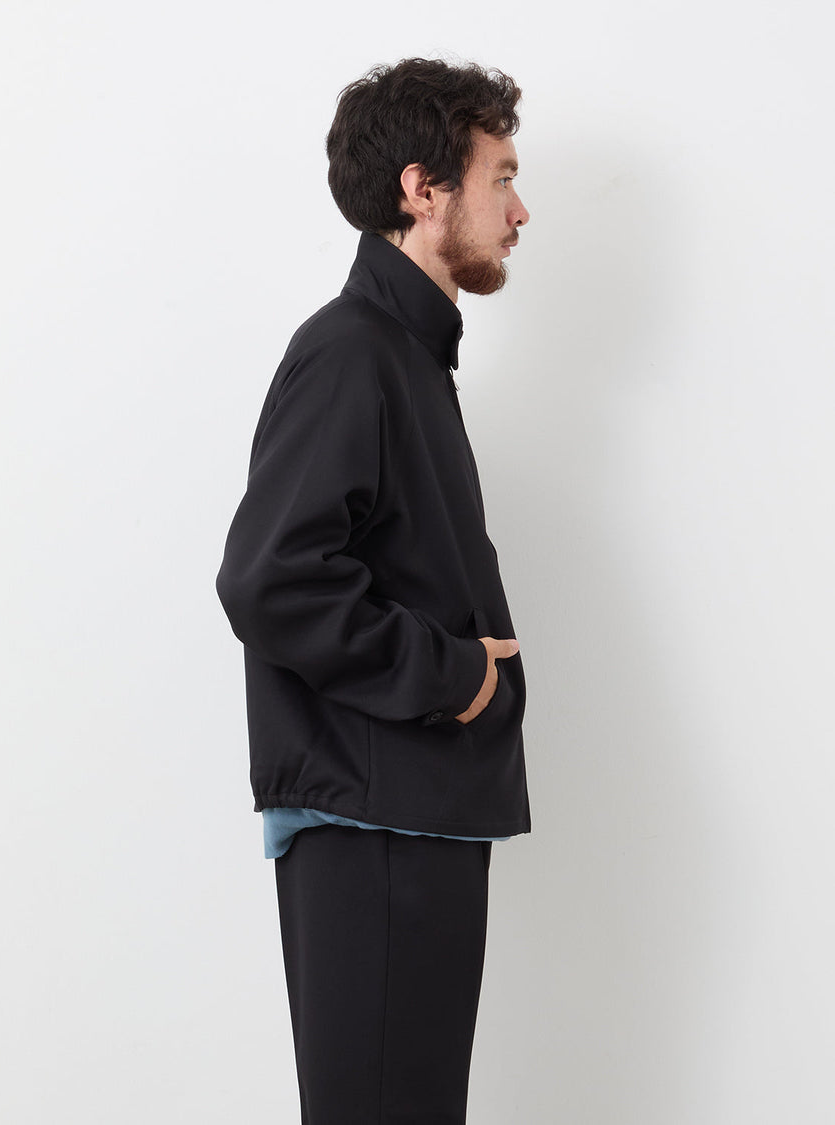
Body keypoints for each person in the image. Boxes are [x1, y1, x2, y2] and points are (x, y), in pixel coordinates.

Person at [216, 57, 531, 1125]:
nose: (519, 210)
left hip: (406, 816)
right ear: (422, 188)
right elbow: (270, 577)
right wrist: (454, 676)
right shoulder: (353, 352)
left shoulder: (405, 356)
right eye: (501, 177)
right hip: (375, 822)